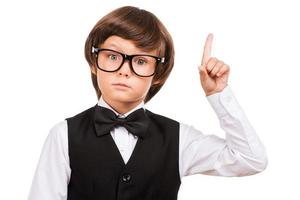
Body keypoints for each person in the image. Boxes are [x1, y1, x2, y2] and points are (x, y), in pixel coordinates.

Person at [27, 6, 267, 200]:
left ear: (158, 73)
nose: (124, 70)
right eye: (112, 56)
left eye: (140, 61)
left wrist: (219, 95)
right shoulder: (63, 135)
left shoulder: (180, 138)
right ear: (93, 60)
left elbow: (252, 159)